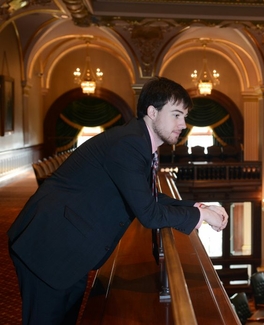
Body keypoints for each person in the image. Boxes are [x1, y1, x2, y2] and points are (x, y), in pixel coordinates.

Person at [7, 76, 229, 324]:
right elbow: (149, 214)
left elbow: (151, 197)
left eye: (185, 116)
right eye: (176, 115)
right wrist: (202, 216)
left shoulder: (138, 142)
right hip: (48, 244)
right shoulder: (130, 144)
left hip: (71, 245)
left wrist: (197, 207)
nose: (183, 123)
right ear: (152, 112)